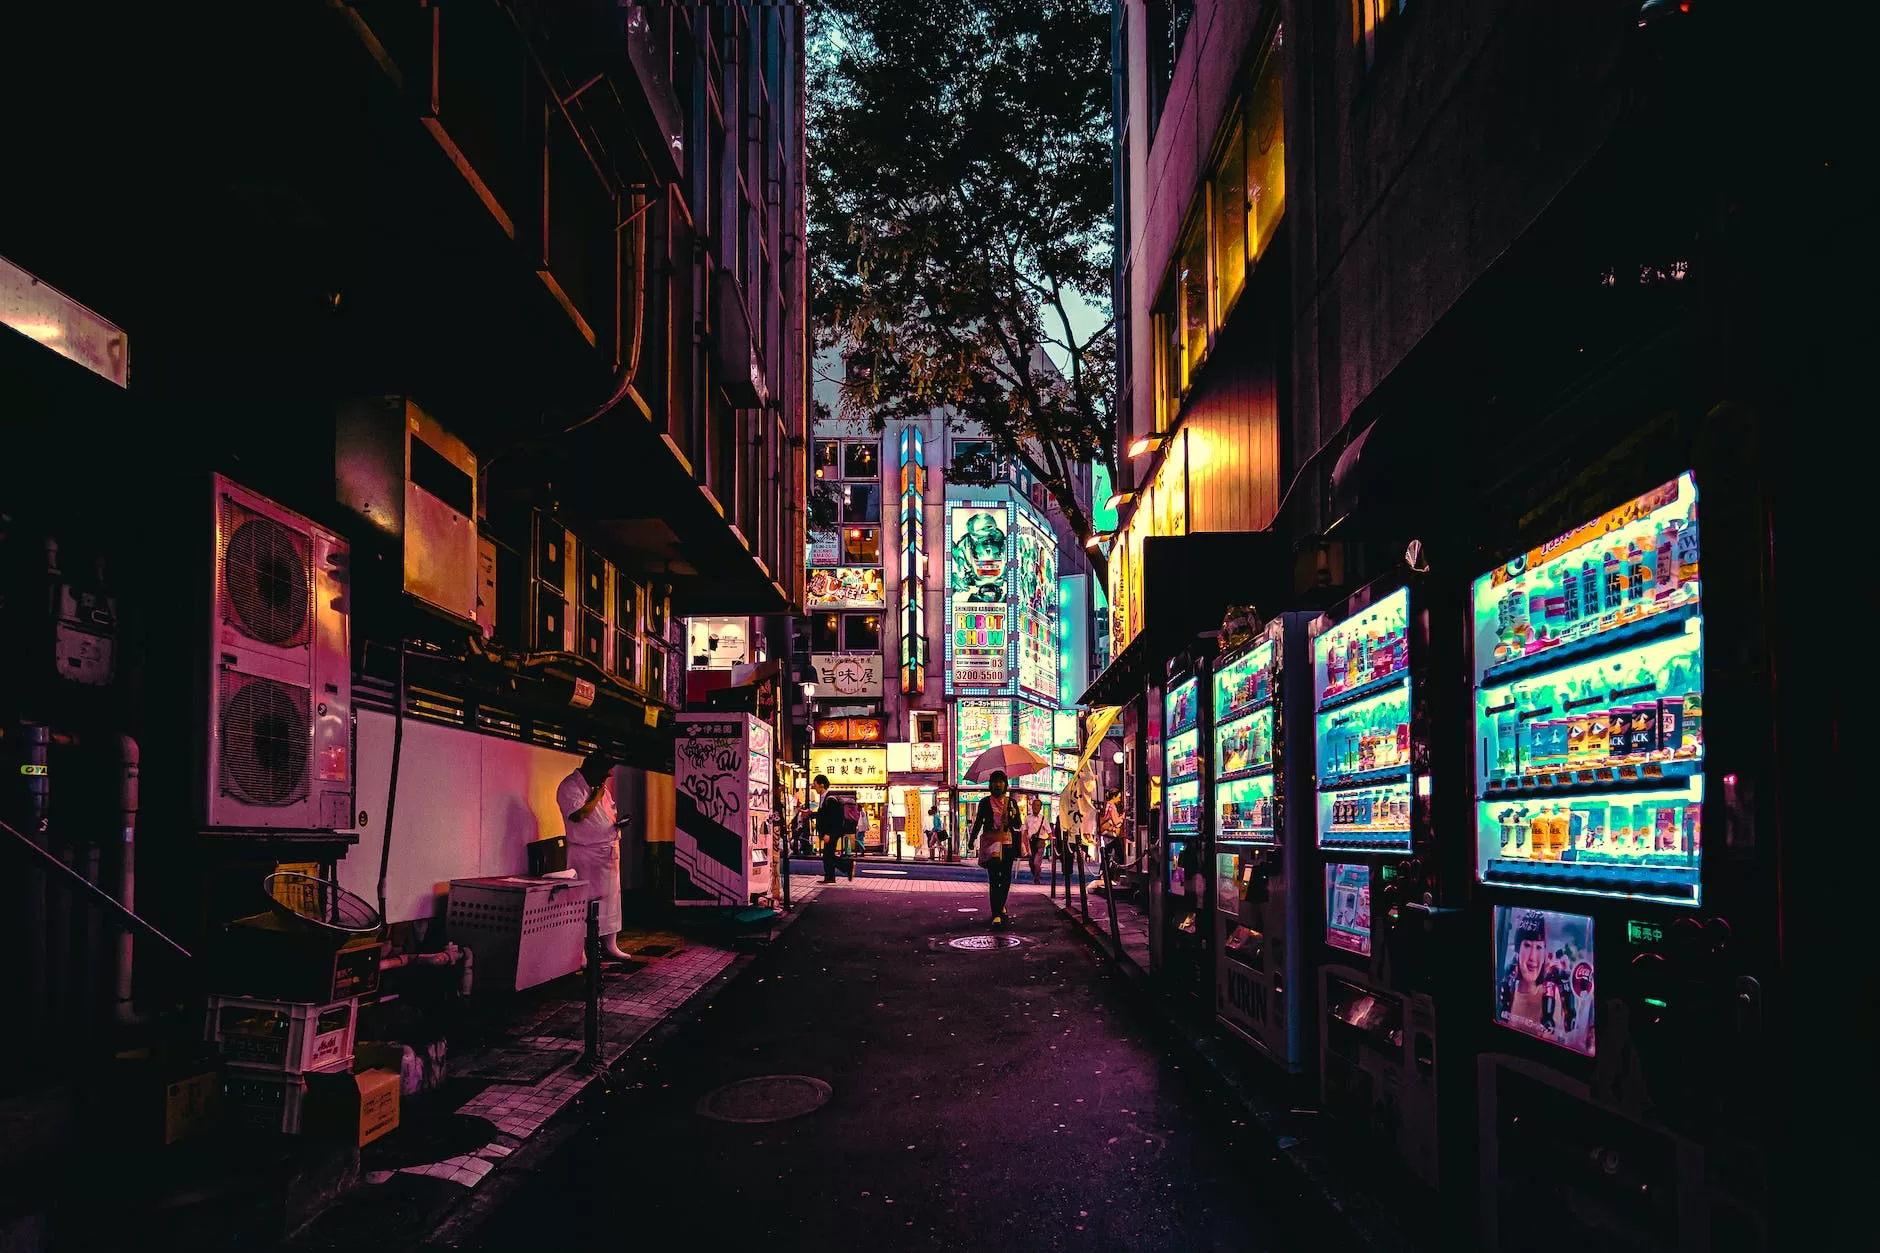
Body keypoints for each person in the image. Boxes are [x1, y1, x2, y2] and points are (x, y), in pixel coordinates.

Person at [558, 751, 633, 961]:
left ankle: (610, 945)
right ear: (592, 769)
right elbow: (577, 815)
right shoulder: (570, 786)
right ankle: (579, 951)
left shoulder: (601, 788)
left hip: (608, 849)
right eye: (603, 775)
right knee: (584, 901)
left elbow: (609, 812)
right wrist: (596, 797)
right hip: (585, 853)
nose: (604, 780)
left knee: (611, 899)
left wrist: (617, 822)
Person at [971, 770, 1024, 925]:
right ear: (991, 785)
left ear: (1005, 784)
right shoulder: (985, 802)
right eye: (995, 781)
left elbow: (1018, 824)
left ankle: (1000, 905)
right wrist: (972, 838)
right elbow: (979, 821)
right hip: (991, 844)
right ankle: (996, 912)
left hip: (1007, 845)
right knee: (994, 879)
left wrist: (1013, 817)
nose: (998, 784)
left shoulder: (1012, 803)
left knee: (1006, 878)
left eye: (1001, 781)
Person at [811, 774, 854, 883]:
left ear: (821, 785)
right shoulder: (823, 798)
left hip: (831, 832)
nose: (813, 787)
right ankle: (830, 877)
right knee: (827, 855)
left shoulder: (830, 799)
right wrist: (811, 814)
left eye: (815, 785)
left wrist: (829, 833)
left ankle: (847, 865)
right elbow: (823, 815)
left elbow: (834, 818)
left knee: (828, 855)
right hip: (829, 832)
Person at [1023, 796, 1047, 884]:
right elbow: (1025, 831)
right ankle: (1036, 874)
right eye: (1034, 805)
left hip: (1040, 843)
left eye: (1038, 806)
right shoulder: (1027, 818)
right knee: (1031, 863)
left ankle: (1036, 878)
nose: (1036, 807)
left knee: (1037, 862)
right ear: (1032, 806)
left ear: (1040, 808)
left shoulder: (1044, 819)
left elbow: (1049, 832)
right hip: (1031, 843)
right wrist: (1024, 843)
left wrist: (1047, 839)